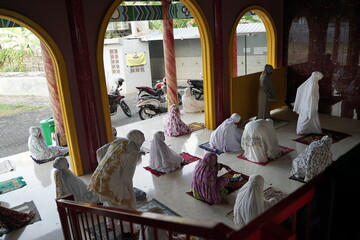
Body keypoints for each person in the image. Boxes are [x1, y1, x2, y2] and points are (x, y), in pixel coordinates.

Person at [88, 129, 145, 210]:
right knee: (124, 207)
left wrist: (104, 167)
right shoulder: (133, 150)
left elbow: (99, 151)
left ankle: (111, 221)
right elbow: (127, 177)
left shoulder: (120, 140)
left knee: (110, 208)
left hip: (98, 179)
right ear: (138, 140)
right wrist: (130, 195)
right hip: (112, 184)